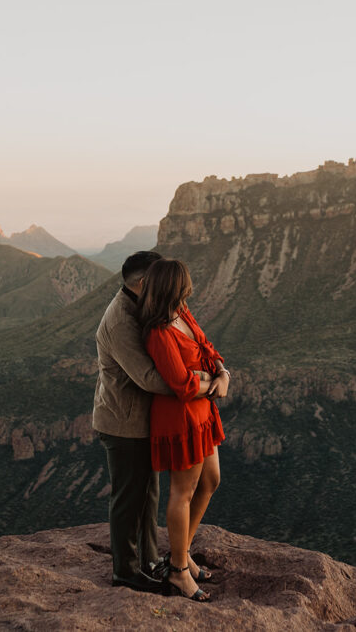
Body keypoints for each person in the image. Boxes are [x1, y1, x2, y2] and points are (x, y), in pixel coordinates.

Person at [137, 258, 229, 602]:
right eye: (183, 287)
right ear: (172, 288)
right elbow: (180, 383)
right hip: (181, 418)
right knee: (183, 492)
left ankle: (183, 553)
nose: (187, 292)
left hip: (203, 413)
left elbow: (206, 346)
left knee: (211, 480)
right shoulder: (158, 332)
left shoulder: (182, 313)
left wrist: (223, 373)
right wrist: (213, 385)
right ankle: (177, 570)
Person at [92, 251, 174, 593]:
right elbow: (148, 378)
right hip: (122, 425)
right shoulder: (120, 320)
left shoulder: (138, 305)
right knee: (128, 497)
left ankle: (149, 560)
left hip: (140, 422)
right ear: (142, 284)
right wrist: (196, 385)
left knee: (148, 493)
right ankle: (125, 569)